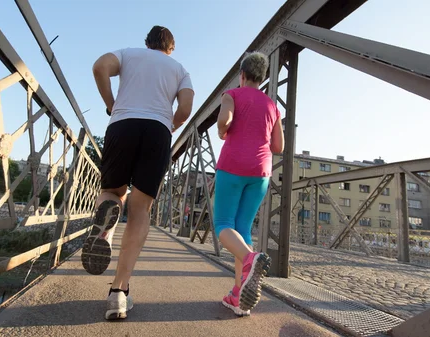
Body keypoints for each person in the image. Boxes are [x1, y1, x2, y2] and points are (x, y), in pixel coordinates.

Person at [81, 25, 194, 320]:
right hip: (157, 131)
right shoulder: (179, 69)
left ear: (147, 43)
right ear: (171, 47)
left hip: (123, 124)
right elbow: (185, 107)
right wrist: (170, 125)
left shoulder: (128, 55)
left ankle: (104, 233)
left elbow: (99, 67)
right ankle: (119, 292)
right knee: (140, 207)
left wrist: (112, 105)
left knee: (112, 192)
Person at [213, 51, 284, 316]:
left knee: (223, 225)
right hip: (261, 173)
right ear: (261, 78)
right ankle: (238, 296)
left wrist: (222, 131)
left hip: (232, 166)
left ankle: (251, 259)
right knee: (242, 228)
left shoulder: (232, 94)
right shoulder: (272, 106)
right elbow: (278, 146)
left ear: (242, 75)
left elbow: (224, 120)